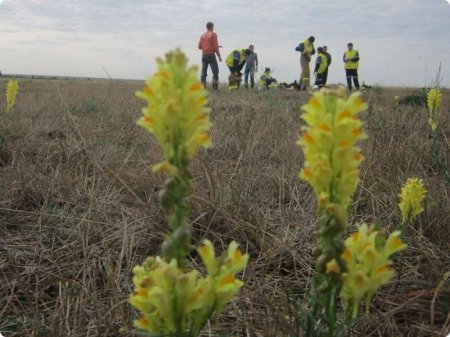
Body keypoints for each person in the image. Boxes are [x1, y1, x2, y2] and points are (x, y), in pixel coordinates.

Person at [198, 21, 222, 89]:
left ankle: (203, 85)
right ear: (211, 27)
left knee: (203, 71)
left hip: (204, 55)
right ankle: (214, 85)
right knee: (215, 71)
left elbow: (199, 47)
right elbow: (215, 47)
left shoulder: (202, 35)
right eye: (213, 27)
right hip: (211, 55)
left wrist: (207, 47)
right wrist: (219, 57)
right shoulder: (213, 34)